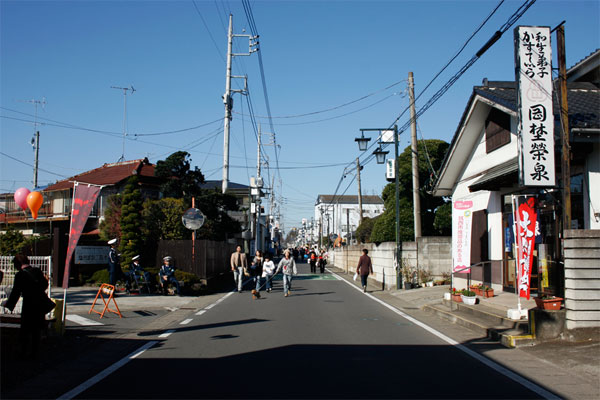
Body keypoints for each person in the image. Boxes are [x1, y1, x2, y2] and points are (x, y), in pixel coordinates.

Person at [1, 254, 50, 358]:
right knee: (36, 330)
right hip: (39, 304)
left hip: (29, 304)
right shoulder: (37, 271)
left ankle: (23, 351)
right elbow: (45, 284)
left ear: (18, 264)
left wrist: (9, 304)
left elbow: (16, 292)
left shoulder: (20, 275)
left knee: (25, 329)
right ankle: (34, 352)